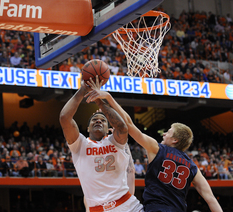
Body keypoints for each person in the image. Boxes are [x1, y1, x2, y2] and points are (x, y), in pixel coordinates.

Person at [85, 76, 223, 212]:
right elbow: (210, 198)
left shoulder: (157, 149)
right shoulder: (192, 166)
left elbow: (128, 124)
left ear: (175, 140)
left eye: (168, 132)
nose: (164, 134)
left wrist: (108, 98)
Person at [59, 79, 143, 212]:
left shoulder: (115, 141)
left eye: (103, 120)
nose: (98, 120)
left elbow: (122, 126)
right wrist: (82, 90)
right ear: (87, 128)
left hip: (128, 205)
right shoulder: (79, 144)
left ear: (109, 127)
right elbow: (65, 118)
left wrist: (98, 100)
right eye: (94, 119)